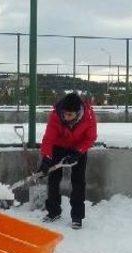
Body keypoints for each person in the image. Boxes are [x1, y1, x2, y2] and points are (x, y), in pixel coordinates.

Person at [38, 92, 97, 230]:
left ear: (78, 113)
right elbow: (49, 139)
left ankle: (77, 216)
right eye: (64, 114)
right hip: (59, 146)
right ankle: (53, 211)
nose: (66, 117)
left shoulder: (88, 116)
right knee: (53, 179)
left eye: (70, 115)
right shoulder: (56, 116)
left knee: (78, 181)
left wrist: (78, 152)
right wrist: (46, 158)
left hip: (79, 148)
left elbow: (91, 138)